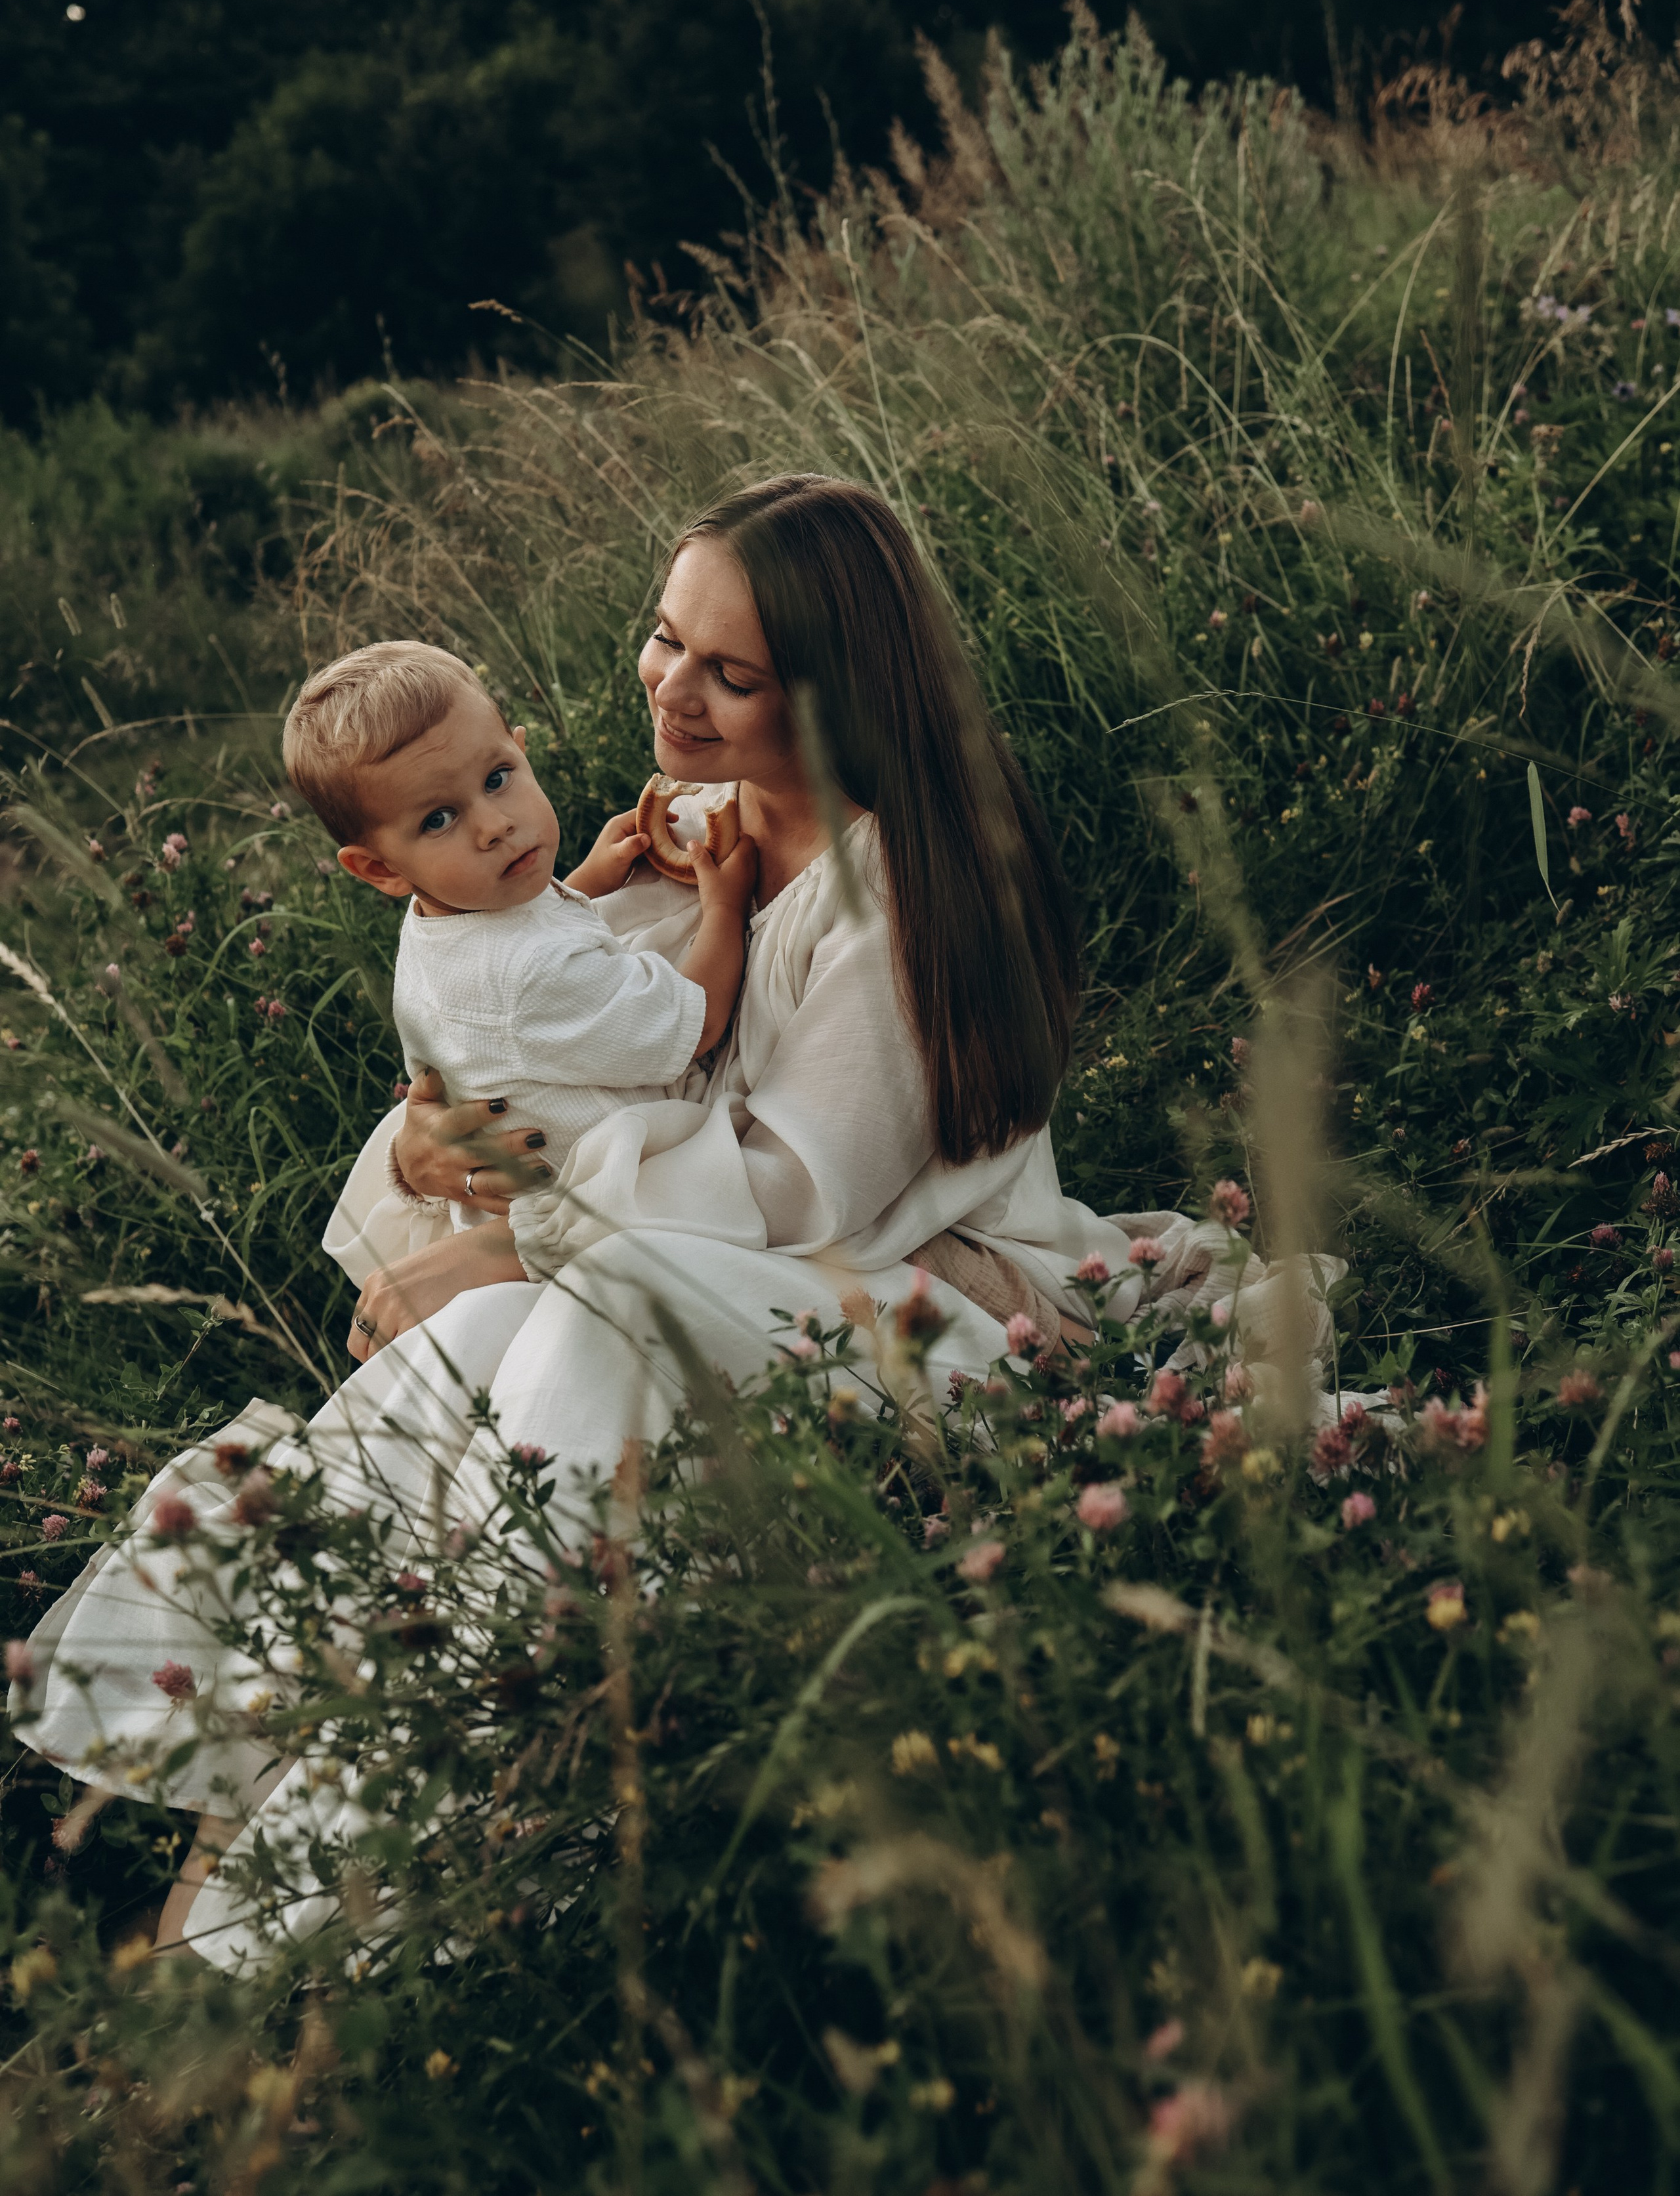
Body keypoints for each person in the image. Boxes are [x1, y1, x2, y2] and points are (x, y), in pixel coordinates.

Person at [11, 475, 1339, 1968]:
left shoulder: (901, 897)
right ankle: (270, 1821)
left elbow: (784, 1197)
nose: (670, 690)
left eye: (730, 672)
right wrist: (439, 1148)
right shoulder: (693, 827)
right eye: (665, 638)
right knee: (463, 1364)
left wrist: (515, 1232)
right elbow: (547, 1045)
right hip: (710, 1275)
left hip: (904, 1305)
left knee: (570, 1323)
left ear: (837, 694)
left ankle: (388, 1875)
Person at [282, 640, 757, 1341]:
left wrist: (585, 880)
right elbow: (700, 1022)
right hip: (608, 1218)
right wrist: (725, 906)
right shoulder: (530, 975)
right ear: (380, 869)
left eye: (498, 778)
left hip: (515, 1206)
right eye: (438, 819)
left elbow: (521, 949)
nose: (494, 825)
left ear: (521, 748)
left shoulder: (441, 924)